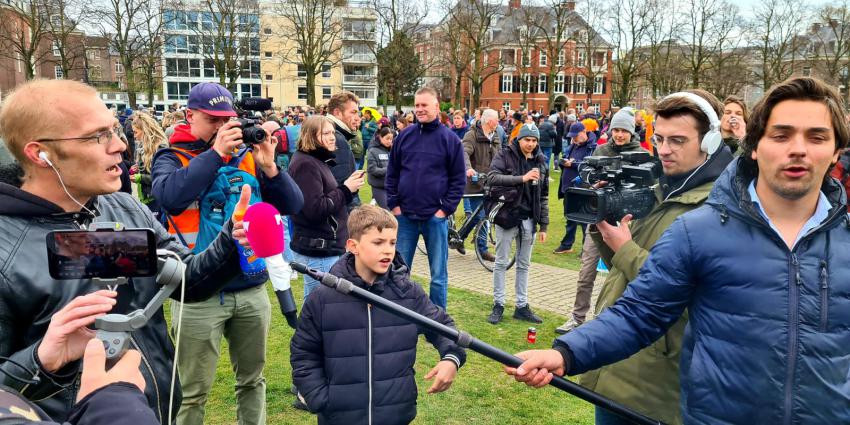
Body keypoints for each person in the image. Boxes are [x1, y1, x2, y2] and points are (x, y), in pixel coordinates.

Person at [506, 77, 850, 424]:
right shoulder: (701, 228)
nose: (799, 149)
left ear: (837, 150)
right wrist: (566, 352)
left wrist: (626, 251)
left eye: (817, 136)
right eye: (781, 135)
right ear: (756, 145)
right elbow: (641, 309)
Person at [0, 79, 251, 423]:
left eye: (115, 131)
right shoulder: (5, 248)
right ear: (39, 153)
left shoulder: (123, 208)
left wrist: (232, 239)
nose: (120, 146)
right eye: (98, 136)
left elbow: (186, 281)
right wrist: (41, 361)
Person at [151, 82, 304, 425]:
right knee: (191, 391)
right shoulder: (171, 157)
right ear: (190, 116)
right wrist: (216, 154)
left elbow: (294, 205)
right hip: (196, 292)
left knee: (253, 381)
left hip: (249, 287)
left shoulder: (247, 157)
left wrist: (271, 168)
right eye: (213, 120)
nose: (223, 128)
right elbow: (170, 198)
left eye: (228, 120)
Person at [290, 205, 466, 425]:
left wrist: (452, 359)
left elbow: (445, 328)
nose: (388, 250)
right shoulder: (323, 298)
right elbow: (303, 352)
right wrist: (320, 399)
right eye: (378, 242)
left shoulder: (408, 294)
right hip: (340, 416)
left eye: (392, 242)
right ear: (353, 246)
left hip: (395, 415)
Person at [554, 114, 642, 335]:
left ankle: (614, 319)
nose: (620, 135)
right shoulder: (601, 151)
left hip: (627, 225)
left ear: (631, 131)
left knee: (622, 273)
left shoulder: (641, 155)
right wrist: (595, 184)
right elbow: (587, 180)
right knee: (586, 271)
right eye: (616, 130)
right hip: (599, 220)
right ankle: (577, 316)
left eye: (624, 130)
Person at [386, 87, 466, 309]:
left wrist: (445, 209)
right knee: (399, 272)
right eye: (417, 105)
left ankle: (438, 320)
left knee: (438, 275)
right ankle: (399, 314)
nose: (420, 110)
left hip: (435, 218)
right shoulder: (404, 136)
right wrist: (394, 205)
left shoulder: (450, 140)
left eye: (424, 105)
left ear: (436, 107)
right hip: (405, 217)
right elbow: (392, 173)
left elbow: (458, 180)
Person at [288, 116, 364, 297]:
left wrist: (347, 187)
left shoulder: (316, 160)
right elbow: (315, 209)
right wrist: (346, 189)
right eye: (326, 133)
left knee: (322, 304)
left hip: (326, 246)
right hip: (319, 249)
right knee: (319, 306)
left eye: (332, 133)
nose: (332, 138)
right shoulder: (306, 164)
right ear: (311, 137)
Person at [484, 124, 549, 324]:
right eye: (527, 139)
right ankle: (498, 304)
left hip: (529, 219)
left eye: (534, 140)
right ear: (519, 139)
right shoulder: (504, 155)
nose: (530, 144)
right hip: (507, 216)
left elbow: (544, 195)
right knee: (501, 262)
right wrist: (522, 178)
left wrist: (544, 225)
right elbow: (492, 177)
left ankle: (522, 306)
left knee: (524, 264)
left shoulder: (541, 161)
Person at [461, 108, 501, 260]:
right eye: (497, 120)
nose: (498, 122)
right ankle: (482, 249)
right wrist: (468, 168)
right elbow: (464, 152)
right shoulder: (471, 135)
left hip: (491, 182)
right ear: (490, 121)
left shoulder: (495, 136)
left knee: (480, 216)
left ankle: (460, 237)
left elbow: (501, 156)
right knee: (482, 215)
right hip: (475, 182)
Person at [553, 121, 596, 255]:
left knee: (584, 220)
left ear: (583, 132)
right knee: (570, 218)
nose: (573, 139)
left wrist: (572, 164)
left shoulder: (593, 147)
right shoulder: (573, 145)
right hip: (569, 188)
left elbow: (589, 167)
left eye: (575, 136)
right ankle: (567, 244)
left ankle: (586, 249)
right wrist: (564, 161)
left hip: (582, 188)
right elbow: (565, 157)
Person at [326, 92, 361, 210]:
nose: (358, 118)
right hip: (339, 214)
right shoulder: (336, 139)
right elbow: (342, 186)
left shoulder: (327, 134)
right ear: (337, 113)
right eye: (353, 112)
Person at [131, 112, 169, 218]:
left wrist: (140, 177)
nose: (134, 136)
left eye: (136, 132)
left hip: (156, 199)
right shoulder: (143, 147)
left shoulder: (160, 148)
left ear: (145, 131)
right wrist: (137, 169)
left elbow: (163, 178)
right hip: (146, 197)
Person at [367, 126, 394, 209]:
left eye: (391, 139)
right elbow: (372, 170)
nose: (389, 141)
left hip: (391, 186)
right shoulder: (373, 151)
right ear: (380, 137)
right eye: (387, 138)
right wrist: (389, 169)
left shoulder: (392, 150)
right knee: (388, 210)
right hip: (379, 187)